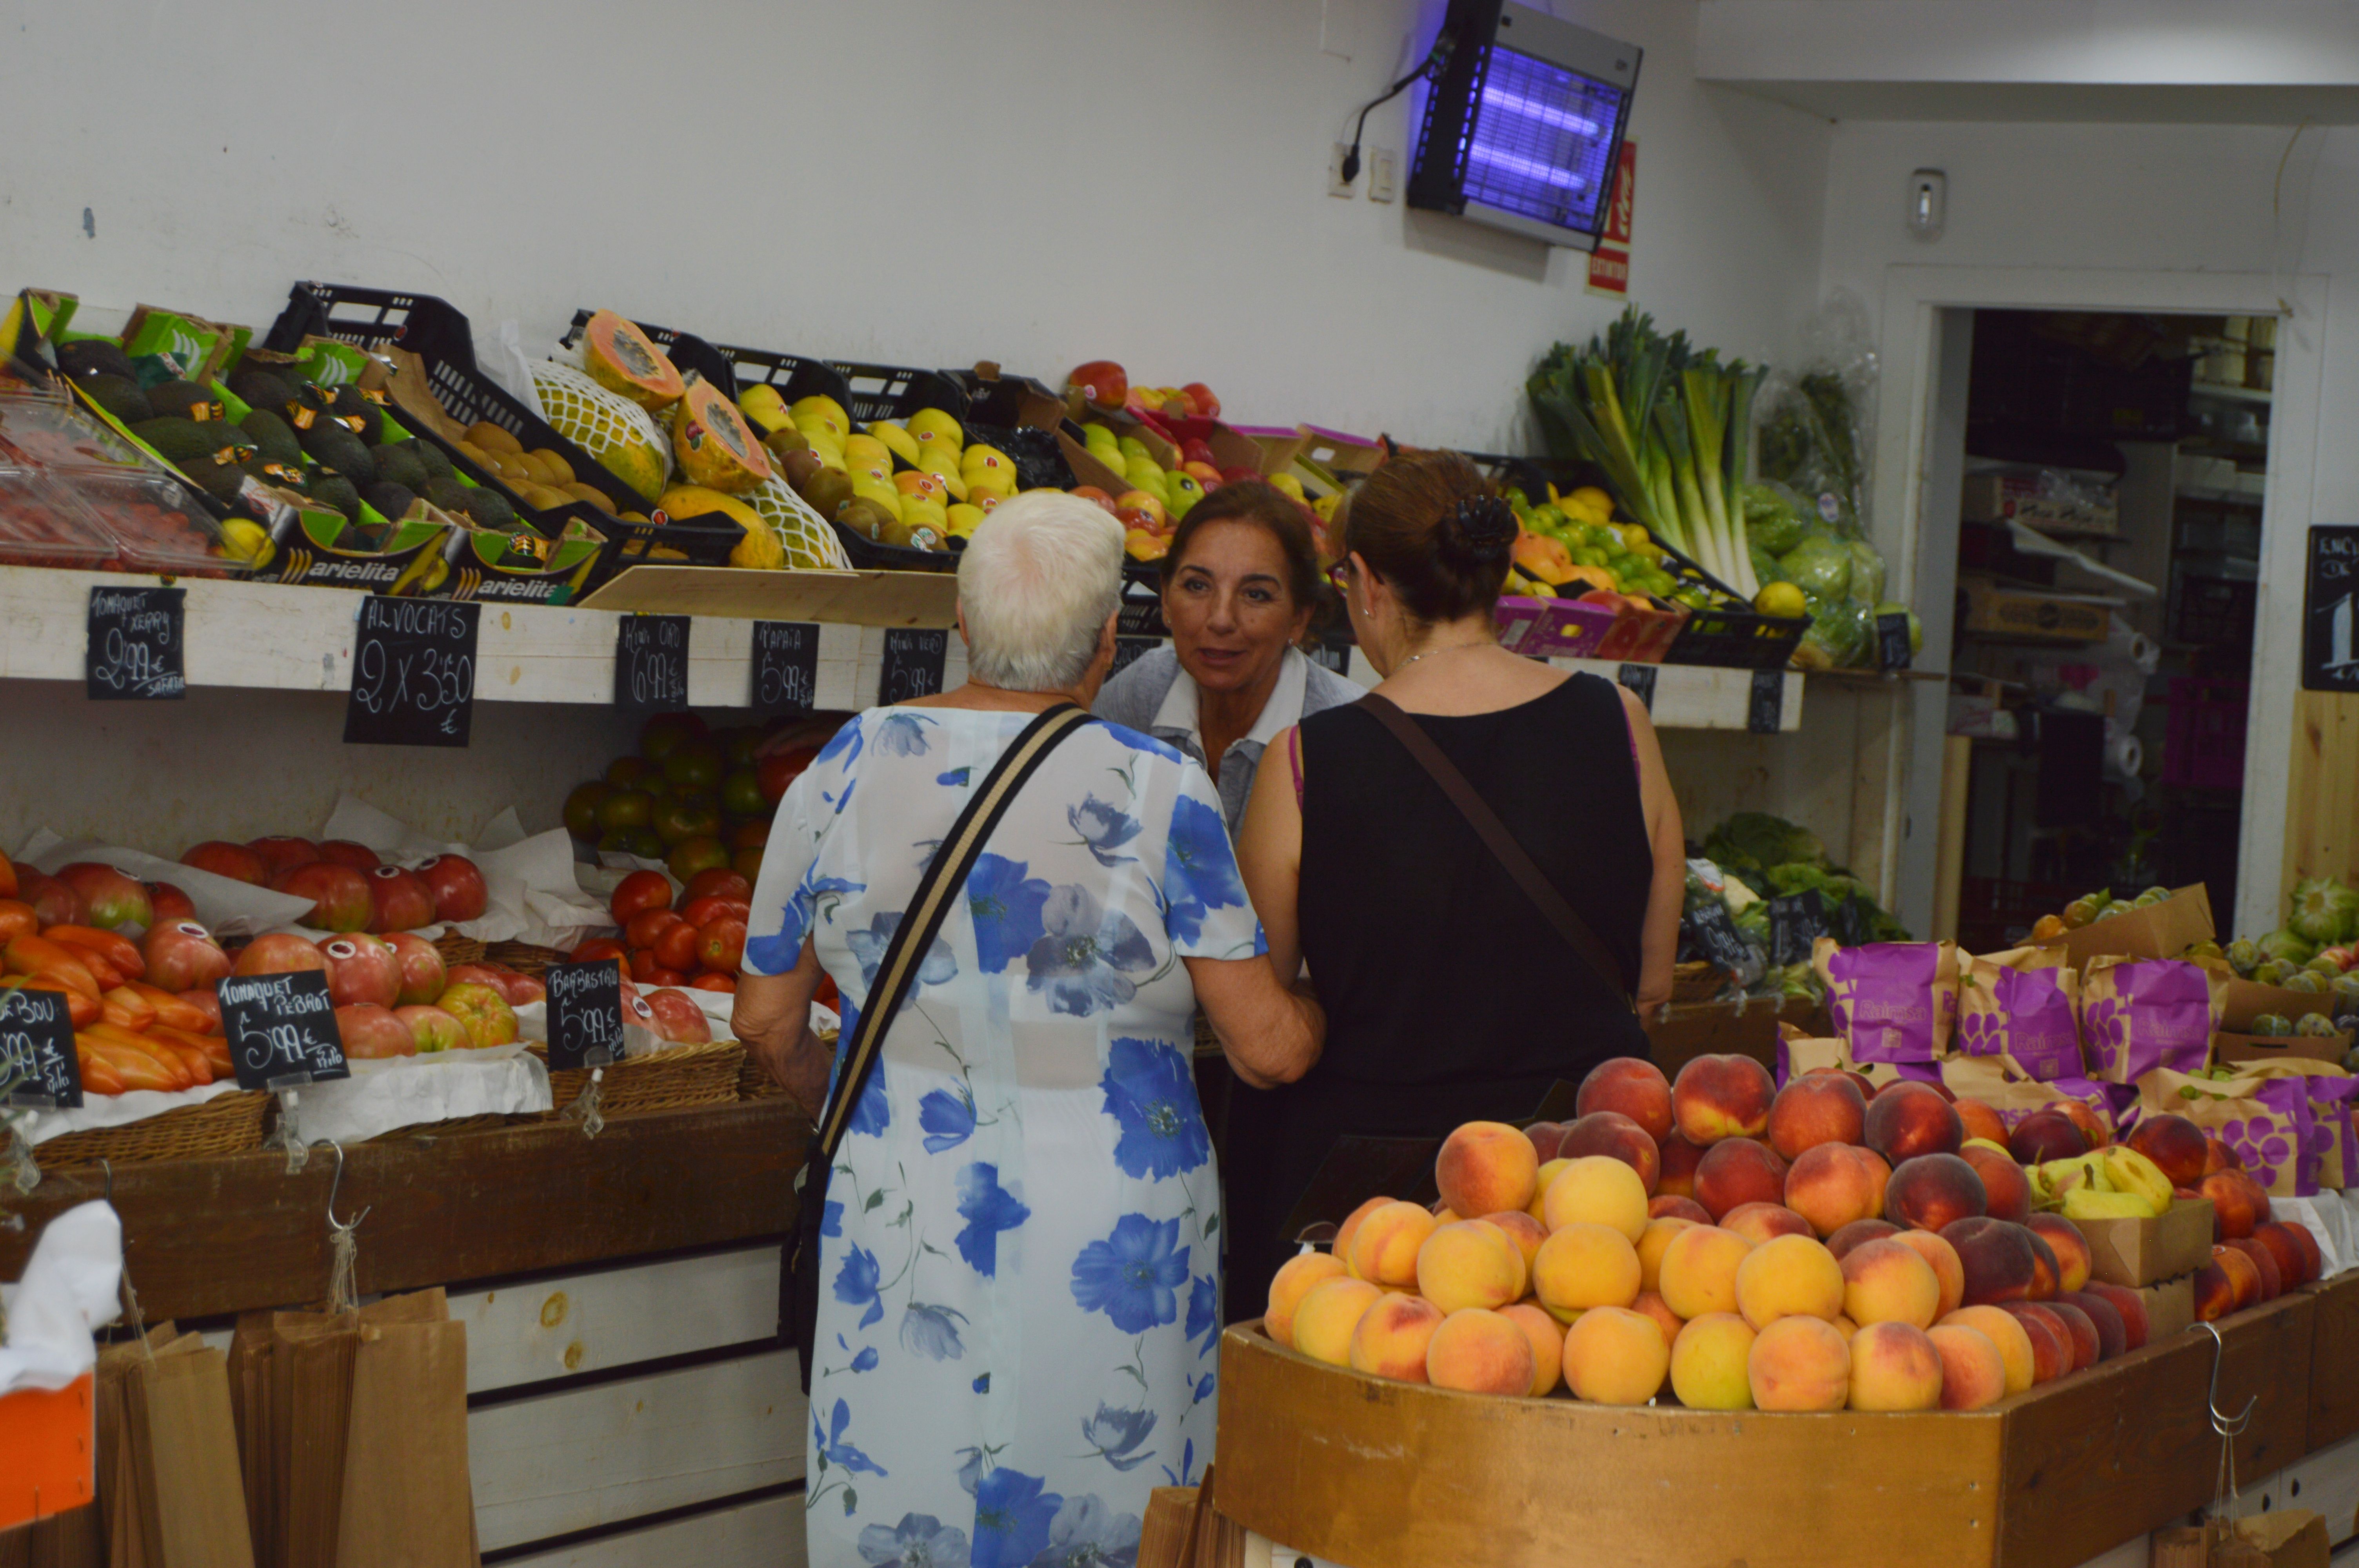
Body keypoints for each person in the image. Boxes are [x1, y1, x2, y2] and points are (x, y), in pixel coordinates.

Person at [732, 491, 1323, 1568]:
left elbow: (768, 1021)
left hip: (901, 1202)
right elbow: (1268, 1047)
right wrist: (1332, 1003)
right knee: (1111, 1501)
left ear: (962, 620)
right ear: (1109, 643)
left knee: (904, 1497)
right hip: (1114, 1235)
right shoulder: (1160, 791)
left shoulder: (843, 769)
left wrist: (868, 1103)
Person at [1223, 451, 1685, 1324]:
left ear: (1362, 580)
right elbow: (1652, 987)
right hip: (1581, 1185)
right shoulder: (1617, 722)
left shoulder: (1307, 761)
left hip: (1377, 1210)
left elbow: (1263, 1009)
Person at [1093, 481, 1361, 832]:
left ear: (1300, 617)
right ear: (1165, 599)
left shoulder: (1347, 740)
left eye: (1256, 594)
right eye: (1197, 586)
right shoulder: (1143, 694)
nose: (1221, 619)